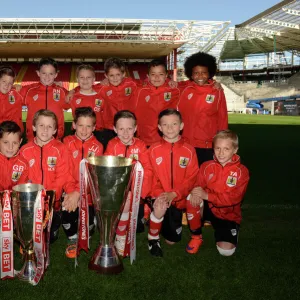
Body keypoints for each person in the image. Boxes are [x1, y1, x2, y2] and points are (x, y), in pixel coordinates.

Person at [20, 109, 80, 249]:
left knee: (71, 199)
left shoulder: (61, 149)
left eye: (49, 127)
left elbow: (64, 176)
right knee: (40, 238)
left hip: (54, 200)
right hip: (33, 201)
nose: (45, 130)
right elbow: (23, 179)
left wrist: (56, 196)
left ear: (55, 130)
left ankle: (72, 235)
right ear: (34, 127)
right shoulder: (25, 150)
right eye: (41, 125)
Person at [185, 130, 249, 256]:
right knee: (191, 198)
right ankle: (196, 236)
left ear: (235, 150)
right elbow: (197, 184)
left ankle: (231, 229)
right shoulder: (207, 166)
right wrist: (195, 191)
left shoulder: (242, 171)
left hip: (228, 214)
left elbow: (234, 198)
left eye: (226, 149)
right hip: (209, 207)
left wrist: (207, 196)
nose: (221, 153)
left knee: (226, 251)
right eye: (217, 148)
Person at [147, 109, 198, 257]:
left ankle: (162, 220)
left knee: (171, 241)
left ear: (181, 125)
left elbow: (192, 178)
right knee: (160, 205)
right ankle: (153, 238)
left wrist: (175, 194)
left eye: (174, 124)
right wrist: (159, 194)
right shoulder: (153, 150)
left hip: (179, 199)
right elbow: (151, 176)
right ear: (159, 127)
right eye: (165, 124)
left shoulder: (189, 150)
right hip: (161, 196)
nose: (170, 128)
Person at [105, 110, 152, 256]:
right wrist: (116, 192)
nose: (126, 133)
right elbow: (107, 170)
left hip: (136, 192)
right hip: (118, 192)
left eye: (130, 129)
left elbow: (148, 170)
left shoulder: (141, 145)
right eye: (121, 129)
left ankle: (144, 211)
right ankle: (120, 236)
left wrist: (141, 194)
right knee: (125, 204)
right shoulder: (112, 145)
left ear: (136, 128)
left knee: (137, 228)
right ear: (114, 129)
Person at [63, 107, 103, 258]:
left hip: (89, 193)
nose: (84, 130)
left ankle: (91, 222)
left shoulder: (98, 147)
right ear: (73, 125)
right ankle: (72, 238)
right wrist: (71, 192)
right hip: (69, 190)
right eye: (80, 125)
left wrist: (79, 193)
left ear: (94, 127)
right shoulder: (66, 143)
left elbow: (93, 175)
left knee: (89, 227)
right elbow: (64, 171)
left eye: (88, 126)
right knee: (68, 212)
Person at [177, 51, 228, 166]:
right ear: (190, 73)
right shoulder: (184, 88)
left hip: (207, 146)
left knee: (206, 178)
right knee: (187, 178)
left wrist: (223, 142)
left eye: (204, 73)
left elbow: (222, 117)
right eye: (196, 73)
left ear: (209, 73)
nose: (200, 76)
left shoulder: (217, 91)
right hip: (186, 143)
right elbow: (165, 84)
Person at [134, 59, 180, 147]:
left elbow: (191, 85)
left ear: (166, 75)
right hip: (144, 139)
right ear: (147, 76)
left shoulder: (175, 90)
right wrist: (106, 81)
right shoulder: (140, 90)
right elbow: (122, 82)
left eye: (161, 74)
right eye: (153, 74)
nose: (157, 77)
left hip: (167, 139)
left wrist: (214, 84)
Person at [20, 58, 69, 140]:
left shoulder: (62, 92)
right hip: (33, 139)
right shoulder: (27, 90)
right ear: (38, 73)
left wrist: (74, 90)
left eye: (51, 73)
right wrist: (14, 87)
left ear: (56, 74)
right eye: (44, 73)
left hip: (55, 138)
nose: (47, 77)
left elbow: (80, 96)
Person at [68, 65, 105, 136]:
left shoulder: (102, 97)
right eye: (82, 77)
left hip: (98, 133)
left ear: (94, 79)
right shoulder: (72, 97)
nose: (85, 80)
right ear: (77, 79)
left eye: (88, 77)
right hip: (78, 133)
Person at [0, 121, 28, 191]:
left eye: (15, 143)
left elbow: (21, 189)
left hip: (15, 200)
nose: (10, 147)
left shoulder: (23, 164)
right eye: (6, 142)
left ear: (20, 142)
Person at [0, 66, 23, 133]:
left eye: (10, 83)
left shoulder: (17, 94)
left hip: (13, 135)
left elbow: (34, 90)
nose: (6, 85)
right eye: (4, 81)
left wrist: (54, 85)